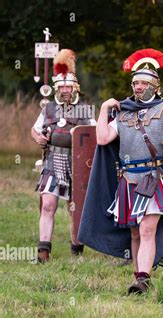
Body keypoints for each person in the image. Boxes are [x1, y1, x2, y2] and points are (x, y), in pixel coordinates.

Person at [86, 48, 163, 294]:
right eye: (135, 82)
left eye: (144, 82)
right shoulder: (122, 112)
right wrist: (104, 108)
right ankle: (138, 277)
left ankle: (143, 279)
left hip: (154, 178)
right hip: (128, 180)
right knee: (135, 233)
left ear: (156, 85)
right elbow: (102, 139)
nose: (138, 86)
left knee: (146, 229)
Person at [31, 49, 96, 262]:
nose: (65, 90)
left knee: (74, 208)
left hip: (76, 163)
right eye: (62, 87)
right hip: (53, 159)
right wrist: (38, 138)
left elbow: (94, 136)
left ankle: (77, 249)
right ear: (57, 88)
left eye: (69, 86)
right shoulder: (48, 108)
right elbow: (35, 129)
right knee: (48, 204)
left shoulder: (85, 111)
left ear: (75, 88)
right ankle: (43, 251)